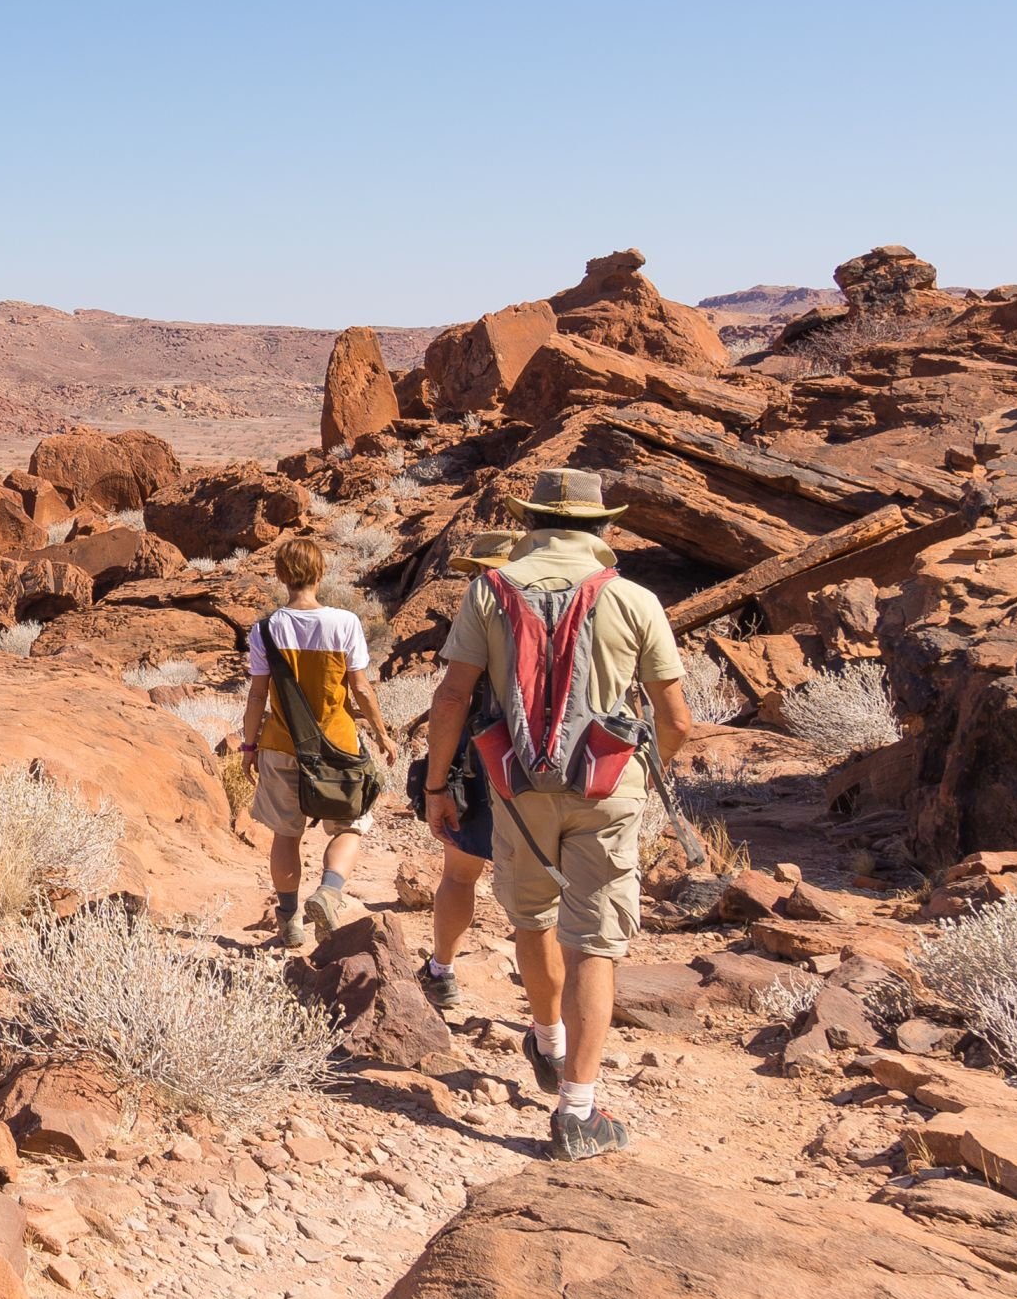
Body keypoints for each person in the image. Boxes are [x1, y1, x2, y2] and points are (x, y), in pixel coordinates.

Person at [420, 470, 705, 1163]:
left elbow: (453, 696)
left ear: (532, 521)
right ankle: (577, 1108)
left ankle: (548, 1042)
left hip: (516, 788)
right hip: (605, 791)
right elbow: (676, 720)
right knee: (594, 940)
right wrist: (642, 775)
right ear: (602, 527)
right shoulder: (634, 598)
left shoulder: (487, 591)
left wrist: (437, 786)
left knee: (533, 918)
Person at [237, 535, 392, 953]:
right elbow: (360, 689)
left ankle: (289, 923)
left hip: (281, 746)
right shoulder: (345, 623)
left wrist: (249, 747)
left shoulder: (266, 629)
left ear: (281, 575)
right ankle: (328, 893)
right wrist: (381, 733)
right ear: (321, 573)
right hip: (337, 747)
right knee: (350, 824)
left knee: (286, 835)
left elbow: (256, 695)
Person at [413, 528, 524, 1009]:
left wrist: (436, 784)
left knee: (460, 873)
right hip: (546, 759)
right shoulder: (558, 607)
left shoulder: (482, 607)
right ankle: (550, 1008)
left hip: (479, 757)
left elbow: (455, 694)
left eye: (480, 570)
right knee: (539, 889)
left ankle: (443, 970)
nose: (476, 579)